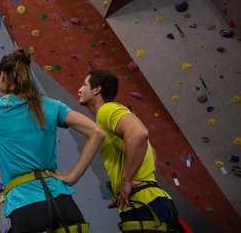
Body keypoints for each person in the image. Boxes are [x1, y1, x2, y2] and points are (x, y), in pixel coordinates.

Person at [0, 49, 105, 233]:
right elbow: (97, 132)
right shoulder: (51, 106)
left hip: (26, 208)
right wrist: (72, 177)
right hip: (62, 202)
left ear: (3, 76)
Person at [71, 68, 182, 232]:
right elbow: (151, 153)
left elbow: (139, 133)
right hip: (156, 201)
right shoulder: (114, 119)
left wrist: (127, 181)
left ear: (97, 89)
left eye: (84, 84)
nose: (79, 89)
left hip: (143, 205)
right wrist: (128, 185)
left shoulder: (106, 110)